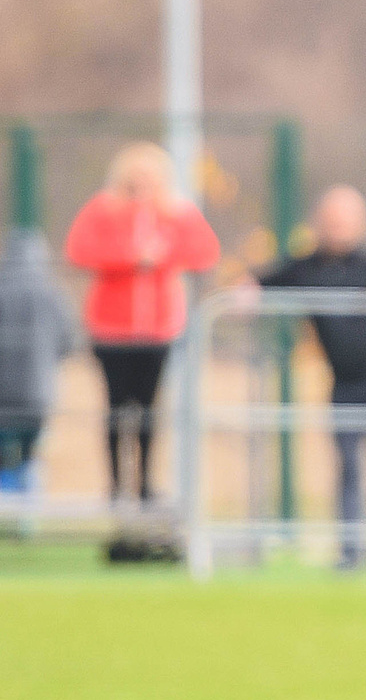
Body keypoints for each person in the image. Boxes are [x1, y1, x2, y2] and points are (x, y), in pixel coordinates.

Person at [257, 186, 366, 568]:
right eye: (333, 220)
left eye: (347, 220)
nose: (339, 228)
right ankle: (350, 551)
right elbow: (261, 283)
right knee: (348, 469)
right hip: (345, 384)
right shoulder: (305, 266)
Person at [62, 143, 220, 511]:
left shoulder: (175, 211)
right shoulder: (104, 210)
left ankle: (146, 485)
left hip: (158, 329)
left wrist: (164, 257)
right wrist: (130, 259)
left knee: (149, 409)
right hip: (111, 330)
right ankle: (116, 487)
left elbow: (204, 252)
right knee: (116, 407)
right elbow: (79, 250)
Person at [0, 225, 76, 494]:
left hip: (3, 394)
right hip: (38, 393)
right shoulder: (53, 293)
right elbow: (69, 341)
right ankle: (27, 511)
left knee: (4, 453)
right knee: (30, 454)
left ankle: (7, 506)